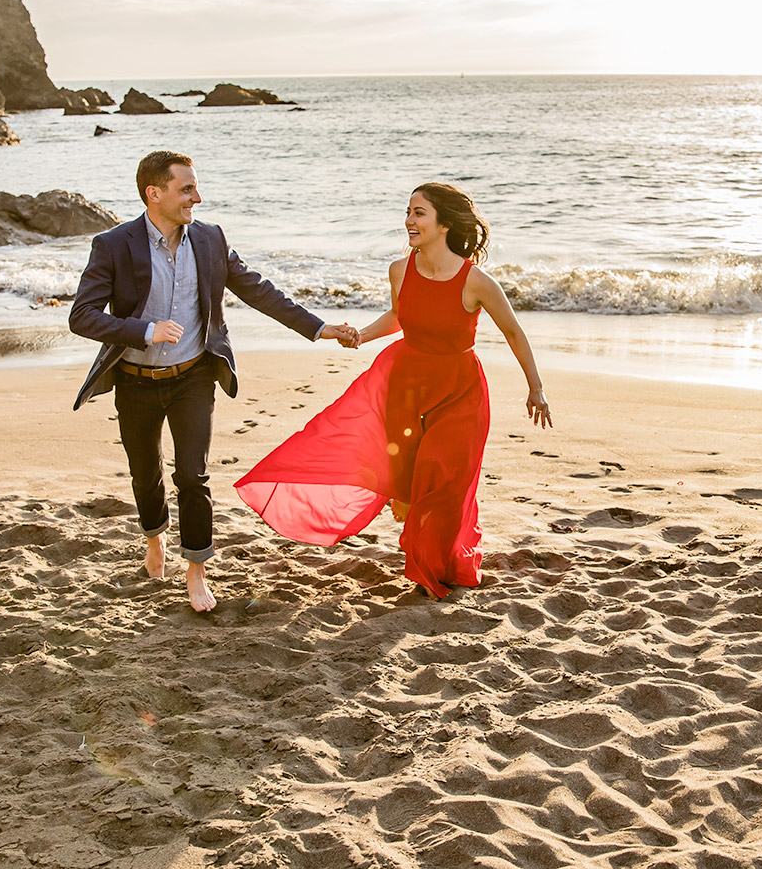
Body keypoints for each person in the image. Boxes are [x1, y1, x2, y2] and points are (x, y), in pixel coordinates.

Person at [69, 150, 358, 612]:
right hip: (136, 380)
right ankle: (154, 539)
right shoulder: (114, 245)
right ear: (154, 193)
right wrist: (143, 331)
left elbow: (258, 290)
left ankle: (196, 570)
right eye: (187, 189)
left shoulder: (209, 240)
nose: (196, 198)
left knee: (192, 474)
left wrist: (319, 328)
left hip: (194, 375)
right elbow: (81, 316)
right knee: (145, 475)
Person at [236, 182, 551, 597]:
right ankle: (432, 556)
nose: (409, 221)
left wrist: (536, 388)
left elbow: (513, 332)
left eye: (419, 213)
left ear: (444, 224)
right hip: (405, 386)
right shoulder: (400, 270)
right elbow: (401, 316)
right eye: (408, 212)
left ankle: (430, 568)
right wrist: (361, 336)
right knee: (412, 482)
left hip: (460, 391)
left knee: (445, 480)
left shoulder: (476, 281)